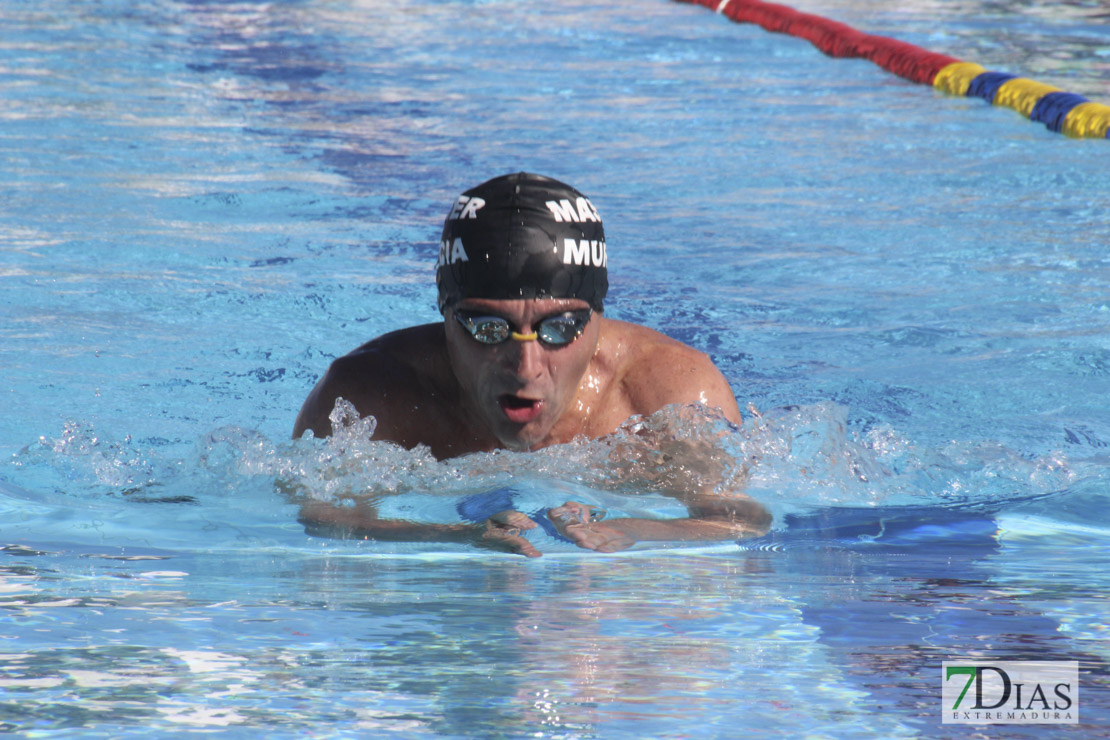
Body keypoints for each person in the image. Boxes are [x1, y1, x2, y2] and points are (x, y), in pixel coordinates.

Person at [293, 172, 770, 556]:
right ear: (445, 316)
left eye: (560, 328)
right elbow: (322, 518)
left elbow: (739, 520)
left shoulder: (670, 393)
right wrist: (449, 536)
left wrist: (634, 530)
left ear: (599, 317)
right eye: (487, 328)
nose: (525, 366)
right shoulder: (366, 397)